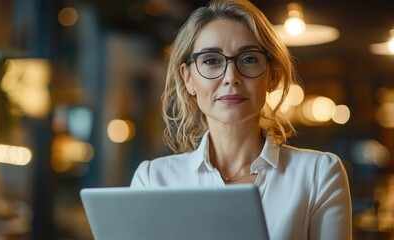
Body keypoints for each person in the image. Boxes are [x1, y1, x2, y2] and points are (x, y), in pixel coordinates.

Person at [130, 0, 352, 239]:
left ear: (273, 76)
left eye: (248, 59)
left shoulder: (318, 174)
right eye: (212, 60)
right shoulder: (153, 179)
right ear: (188, 79)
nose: (231, 78)